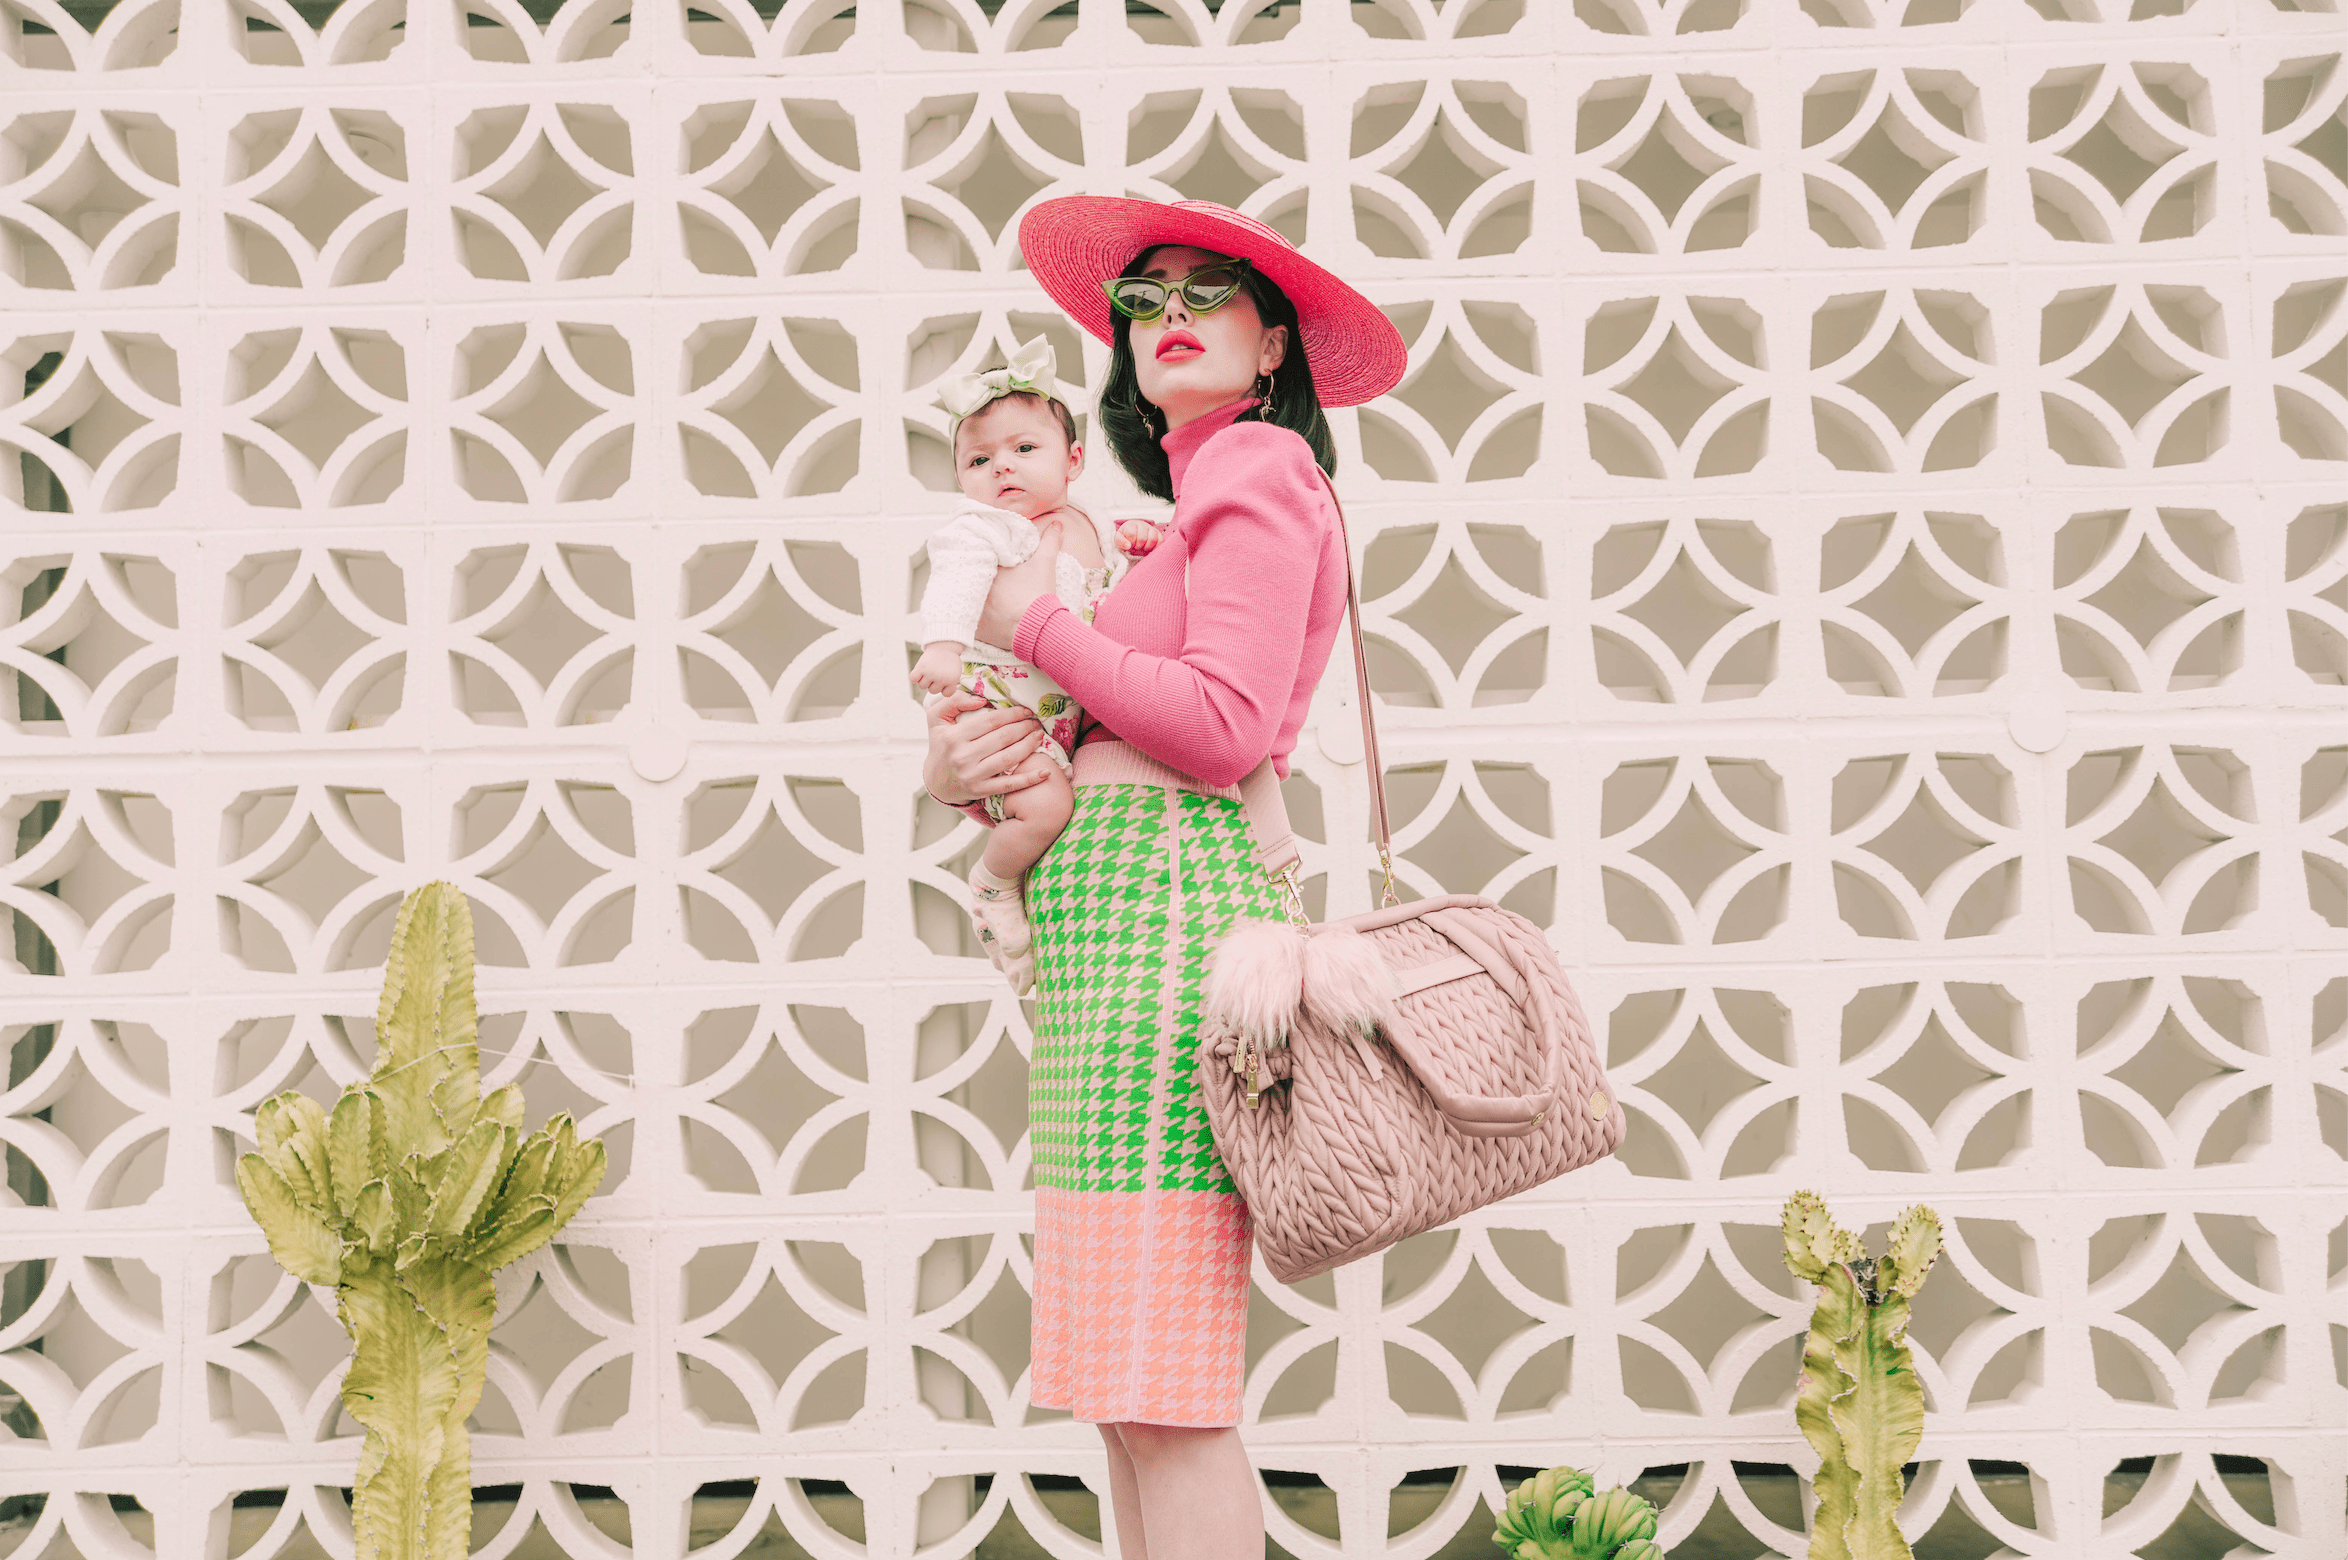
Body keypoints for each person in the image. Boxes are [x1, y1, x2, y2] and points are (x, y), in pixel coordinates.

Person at [922, 198, 1406, 1560]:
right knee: (1122, 1384)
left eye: (1211, 291)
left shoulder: (1254, 469)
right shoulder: (1188, 506)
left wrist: (1038, 628)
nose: (1170, 311)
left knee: (1163, 1381)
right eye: (1143, 297)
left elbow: (1220, 728)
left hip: (1169, 924)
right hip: (1110, 935)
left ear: (1272, 347)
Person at [910, 337, 1162, 991]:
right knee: (1047, 808)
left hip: (1057, 711)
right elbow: (959, 581)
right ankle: (995, 883)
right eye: (979, 459)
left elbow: (1113, 586)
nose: (1003, 470)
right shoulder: (988, 528)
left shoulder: (1091, 523)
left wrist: (1136, 543)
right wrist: (942, 644)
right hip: (1000, 700)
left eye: (1025, 449)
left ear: (1073, 459)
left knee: (1056, 795)